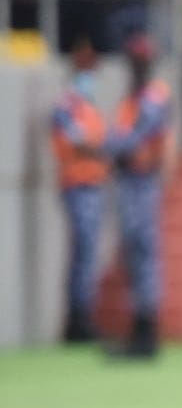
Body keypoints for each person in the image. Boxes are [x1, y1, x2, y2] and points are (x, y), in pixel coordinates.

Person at [105, 33, 172, 359]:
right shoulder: (132, 98)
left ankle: (146, 332)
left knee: (143, 253)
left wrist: (104, 148)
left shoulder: (152, 98)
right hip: (129, 181)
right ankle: (138, 329)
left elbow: (134, 139)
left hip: (142, 181)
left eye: (137, 60)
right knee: (133, 255)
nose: (132, 66)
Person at [51, 35, 107, 344]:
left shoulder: (87, 106)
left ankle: (82, 315)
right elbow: (78, 142)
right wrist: (104, 151)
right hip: (78, 185)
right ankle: (77, 319)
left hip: (93, 185)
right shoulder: (68, 106)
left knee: (87, 255)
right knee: (83, 253)